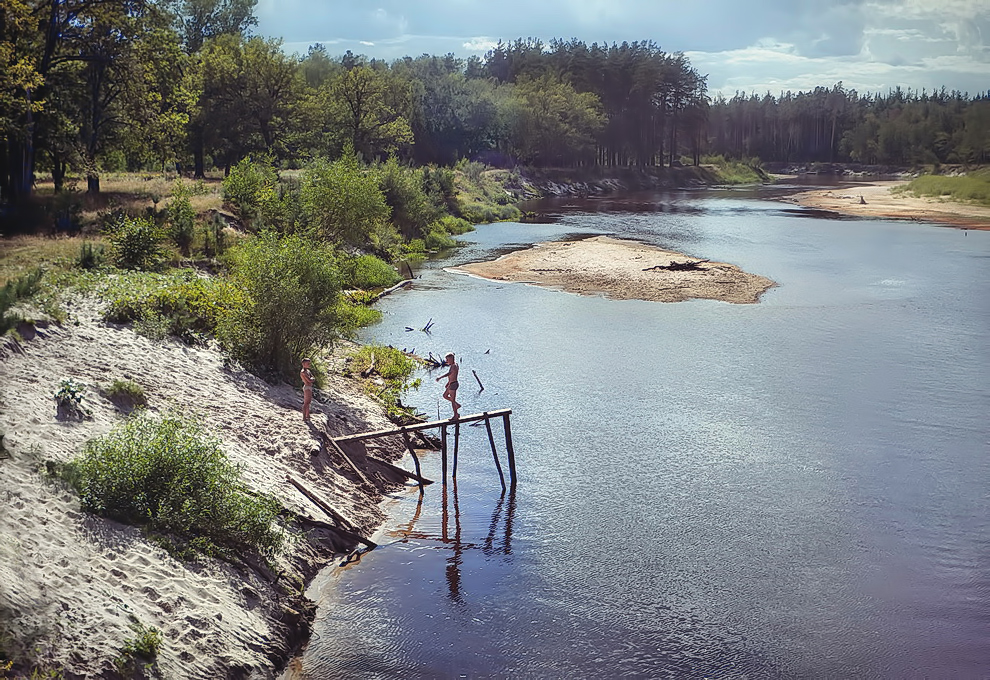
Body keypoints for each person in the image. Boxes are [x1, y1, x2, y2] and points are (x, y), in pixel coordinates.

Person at [435, 352, 461, 419]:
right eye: (446, 359)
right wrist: (448, 383)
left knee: (452, 401)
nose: (447, 361)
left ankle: (456, 415)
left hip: (453, 384)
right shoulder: (453, 365)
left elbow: (449, 373)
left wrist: (440, 377)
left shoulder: (454, 366)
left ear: (452, 359)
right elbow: (452, 375)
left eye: (448, 359)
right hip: (451, 384)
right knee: (445, 395)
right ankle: (457, 405)